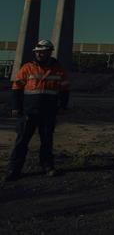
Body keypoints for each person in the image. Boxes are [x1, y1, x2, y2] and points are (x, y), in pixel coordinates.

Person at [4, 39, 70, 182]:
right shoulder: (27, 68)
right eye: (37, 52)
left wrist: (63, 106)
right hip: (28, 112)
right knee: (21, 142)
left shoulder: (59, 70)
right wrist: (16, 107)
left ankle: (47, 166)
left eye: (42, 52)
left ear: (49, 52)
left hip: (48, 112)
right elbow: (17, 89)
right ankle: (14, 170)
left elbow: (65, 90)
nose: (39, 54)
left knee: (47, 141)